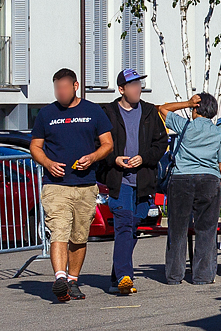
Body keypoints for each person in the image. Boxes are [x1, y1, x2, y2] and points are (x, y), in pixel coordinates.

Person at [30, 69, 114, 303]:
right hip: (55, 186)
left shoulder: (93, 111)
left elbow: (108, 143)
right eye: (57, 89)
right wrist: (47, 162)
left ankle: (73, 280)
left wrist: (93, 157)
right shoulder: (46, 114)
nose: (61, 93)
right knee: (59, 231)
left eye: (65, 88)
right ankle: (59, 279)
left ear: (75, 86)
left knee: (79, 236)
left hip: (85, 185)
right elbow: (35, 146)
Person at [99, 68, 171, 295]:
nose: (137, 89)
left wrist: (145, 157)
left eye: (139, 85)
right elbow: (99, 145)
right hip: (119, 181)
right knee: (123, 226)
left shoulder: (150, 111)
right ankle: (124, 277)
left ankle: (115, 276)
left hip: (143, 181)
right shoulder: (108, 112)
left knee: (132, 225)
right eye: (132, 85)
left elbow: (161, 143)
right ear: (121, 89)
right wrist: (115, 159)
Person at [161, 93, 221, 285]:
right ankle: (203, 275)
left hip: (181, 179)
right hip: (209, 180)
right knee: (206, 229)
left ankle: (174, 275)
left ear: (195, 109)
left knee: (177, 228)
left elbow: (162, 109)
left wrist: (186, 102)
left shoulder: (184, 126)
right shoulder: (219, 133)